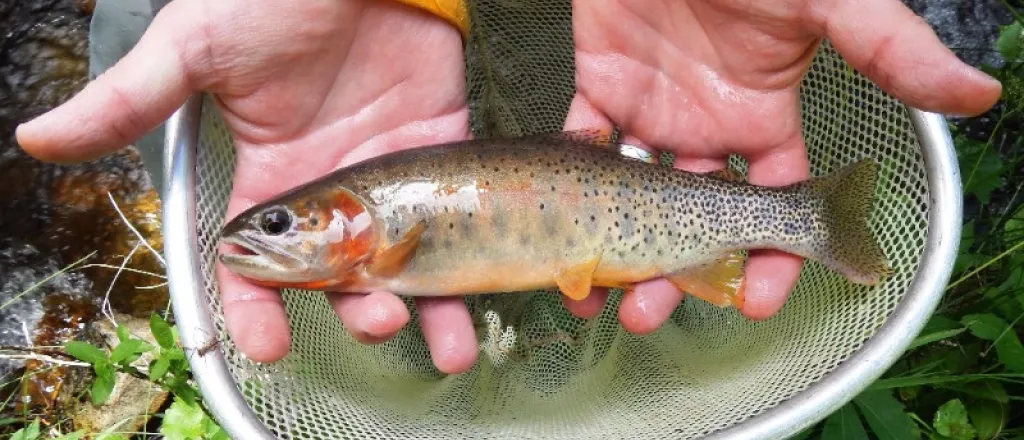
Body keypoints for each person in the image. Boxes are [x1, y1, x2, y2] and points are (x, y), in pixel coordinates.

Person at [16, 0, 1000, 375]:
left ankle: (804, 220)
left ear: (344, 222)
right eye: (278, 222)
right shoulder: (378, 241)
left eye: (282, 223)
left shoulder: (384, 248)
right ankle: (791, 222)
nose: (265, 232)